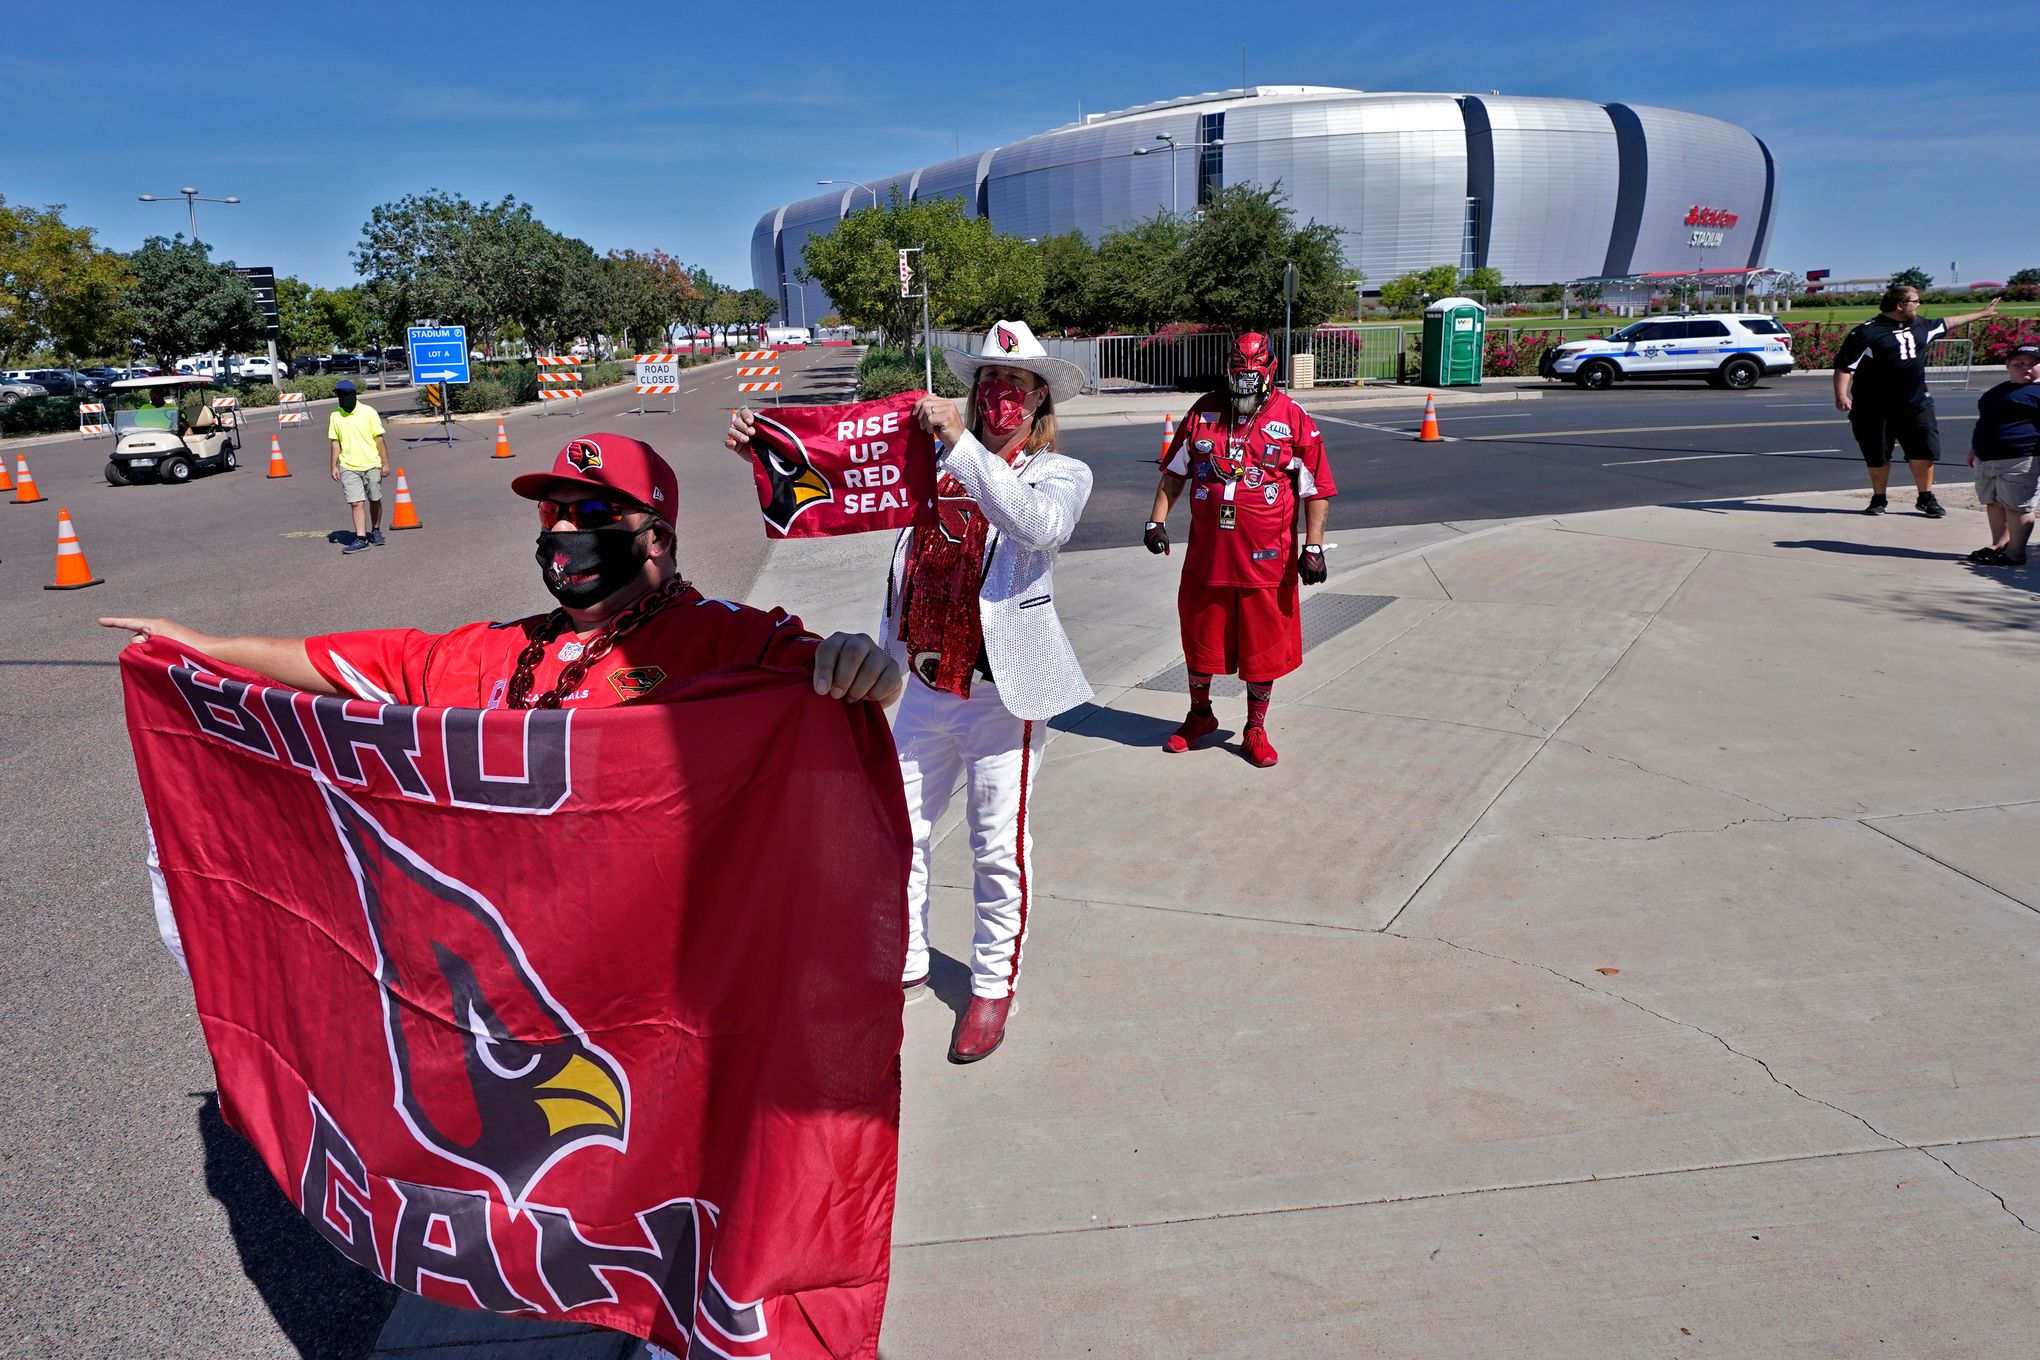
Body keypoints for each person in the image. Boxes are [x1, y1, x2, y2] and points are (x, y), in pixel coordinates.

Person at [726, 320, 1093, 1064]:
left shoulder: (1059, 474)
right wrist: (769, 450)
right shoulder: (932, 464)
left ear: (1039, 400)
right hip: (923, 687)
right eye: (989, 381)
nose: (1000, 396)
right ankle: (905, 959)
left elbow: (1035, 528)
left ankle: (992, 988)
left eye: (1016, 385)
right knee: (898, 832)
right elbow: (844, 476)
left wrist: (962, 448)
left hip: (998, 697)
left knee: (997, 849)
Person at [101, 431, 903, 711]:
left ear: (656, 538)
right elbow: (339, 664)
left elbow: (842, 676)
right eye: (551, 512)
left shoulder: (729, 642)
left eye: (591, 515)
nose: (562, 530)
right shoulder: (488, 652)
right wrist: (200, 645)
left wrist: (865, 668)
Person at [1143, 332, 1337, 768]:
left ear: (1269, 371)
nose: (1245, 379)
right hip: (1208, 557)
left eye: (1254, 371)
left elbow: (1316, 488)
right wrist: (1156, 520)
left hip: (1266, 560)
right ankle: (1199, 716)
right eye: (1238, 371)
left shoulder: (1294, 416)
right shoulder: (1203, 411)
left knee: (1262, 646)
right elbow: (1176, 472)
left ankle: (1255, 727)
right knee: (1200, 639)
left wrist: (1315, 546)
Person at [1835, 285, 2000, 517]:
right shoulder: (1866, 333)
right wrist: (1842, 395)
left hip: (1916, 404)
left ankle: (1925, 497)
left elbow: (1949, 322)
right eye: (1916, 301)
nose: (1919, 305)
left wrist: (1982, 313)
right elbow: (1845, 367)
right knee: (1877, 454)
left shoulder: (1921, 324)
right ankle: (1879, 498)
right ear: (1900, 305)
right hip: (1874, 408)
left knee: (1923, 451)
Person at [1965, 341, 2040, 567]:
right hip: (1987, 456)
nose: (2025, 367)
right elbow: (1985, 421)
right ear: (2008, 365)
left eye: (2033, 363)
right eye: (2019, 363)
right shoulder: (2000, 390)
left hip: (2021, 457)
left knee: (2018, 506)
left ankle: (2016, 553)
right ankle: (1999, 544)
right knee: (1994, 502)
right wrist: (1975, 448)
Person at [328, 379, 390, 554]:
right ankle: (361, 538)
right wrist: (334, 466)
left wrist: (385, 464)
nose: (343, 398)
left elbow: (380, 439)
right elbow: (335, 442)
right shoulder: (335, 416)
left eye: (346, 395)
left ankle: (376, 530)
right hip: (348, 465)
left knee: (375, 499)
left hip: (371, 464)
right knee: (356, 502)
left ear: (353, 395)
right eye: (340, 395)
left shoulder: (368, 412)